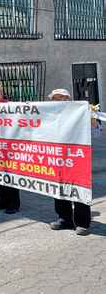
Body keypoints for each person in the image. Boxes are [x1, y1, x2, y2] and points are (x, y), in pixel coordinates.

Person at [48, 88, 100, 236]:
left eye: (62, 98)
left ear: (69, 99)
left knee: (79, 189)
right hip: (57, 159)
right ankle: (64, 219)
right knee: (59, 190)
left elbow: (96, 133)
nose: (59, 101)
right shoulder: (50, 116)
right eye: (56, 99)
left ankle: (82, 223)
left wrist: (92, 118)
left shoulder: (80, 113)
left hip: (77, 159)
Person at [0, 83, 21, 214]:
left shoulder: (10, 107)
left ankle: (14, 204)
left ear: (1, 93)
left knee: (10, 179)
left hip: (8, 151)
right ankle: (3, 201)